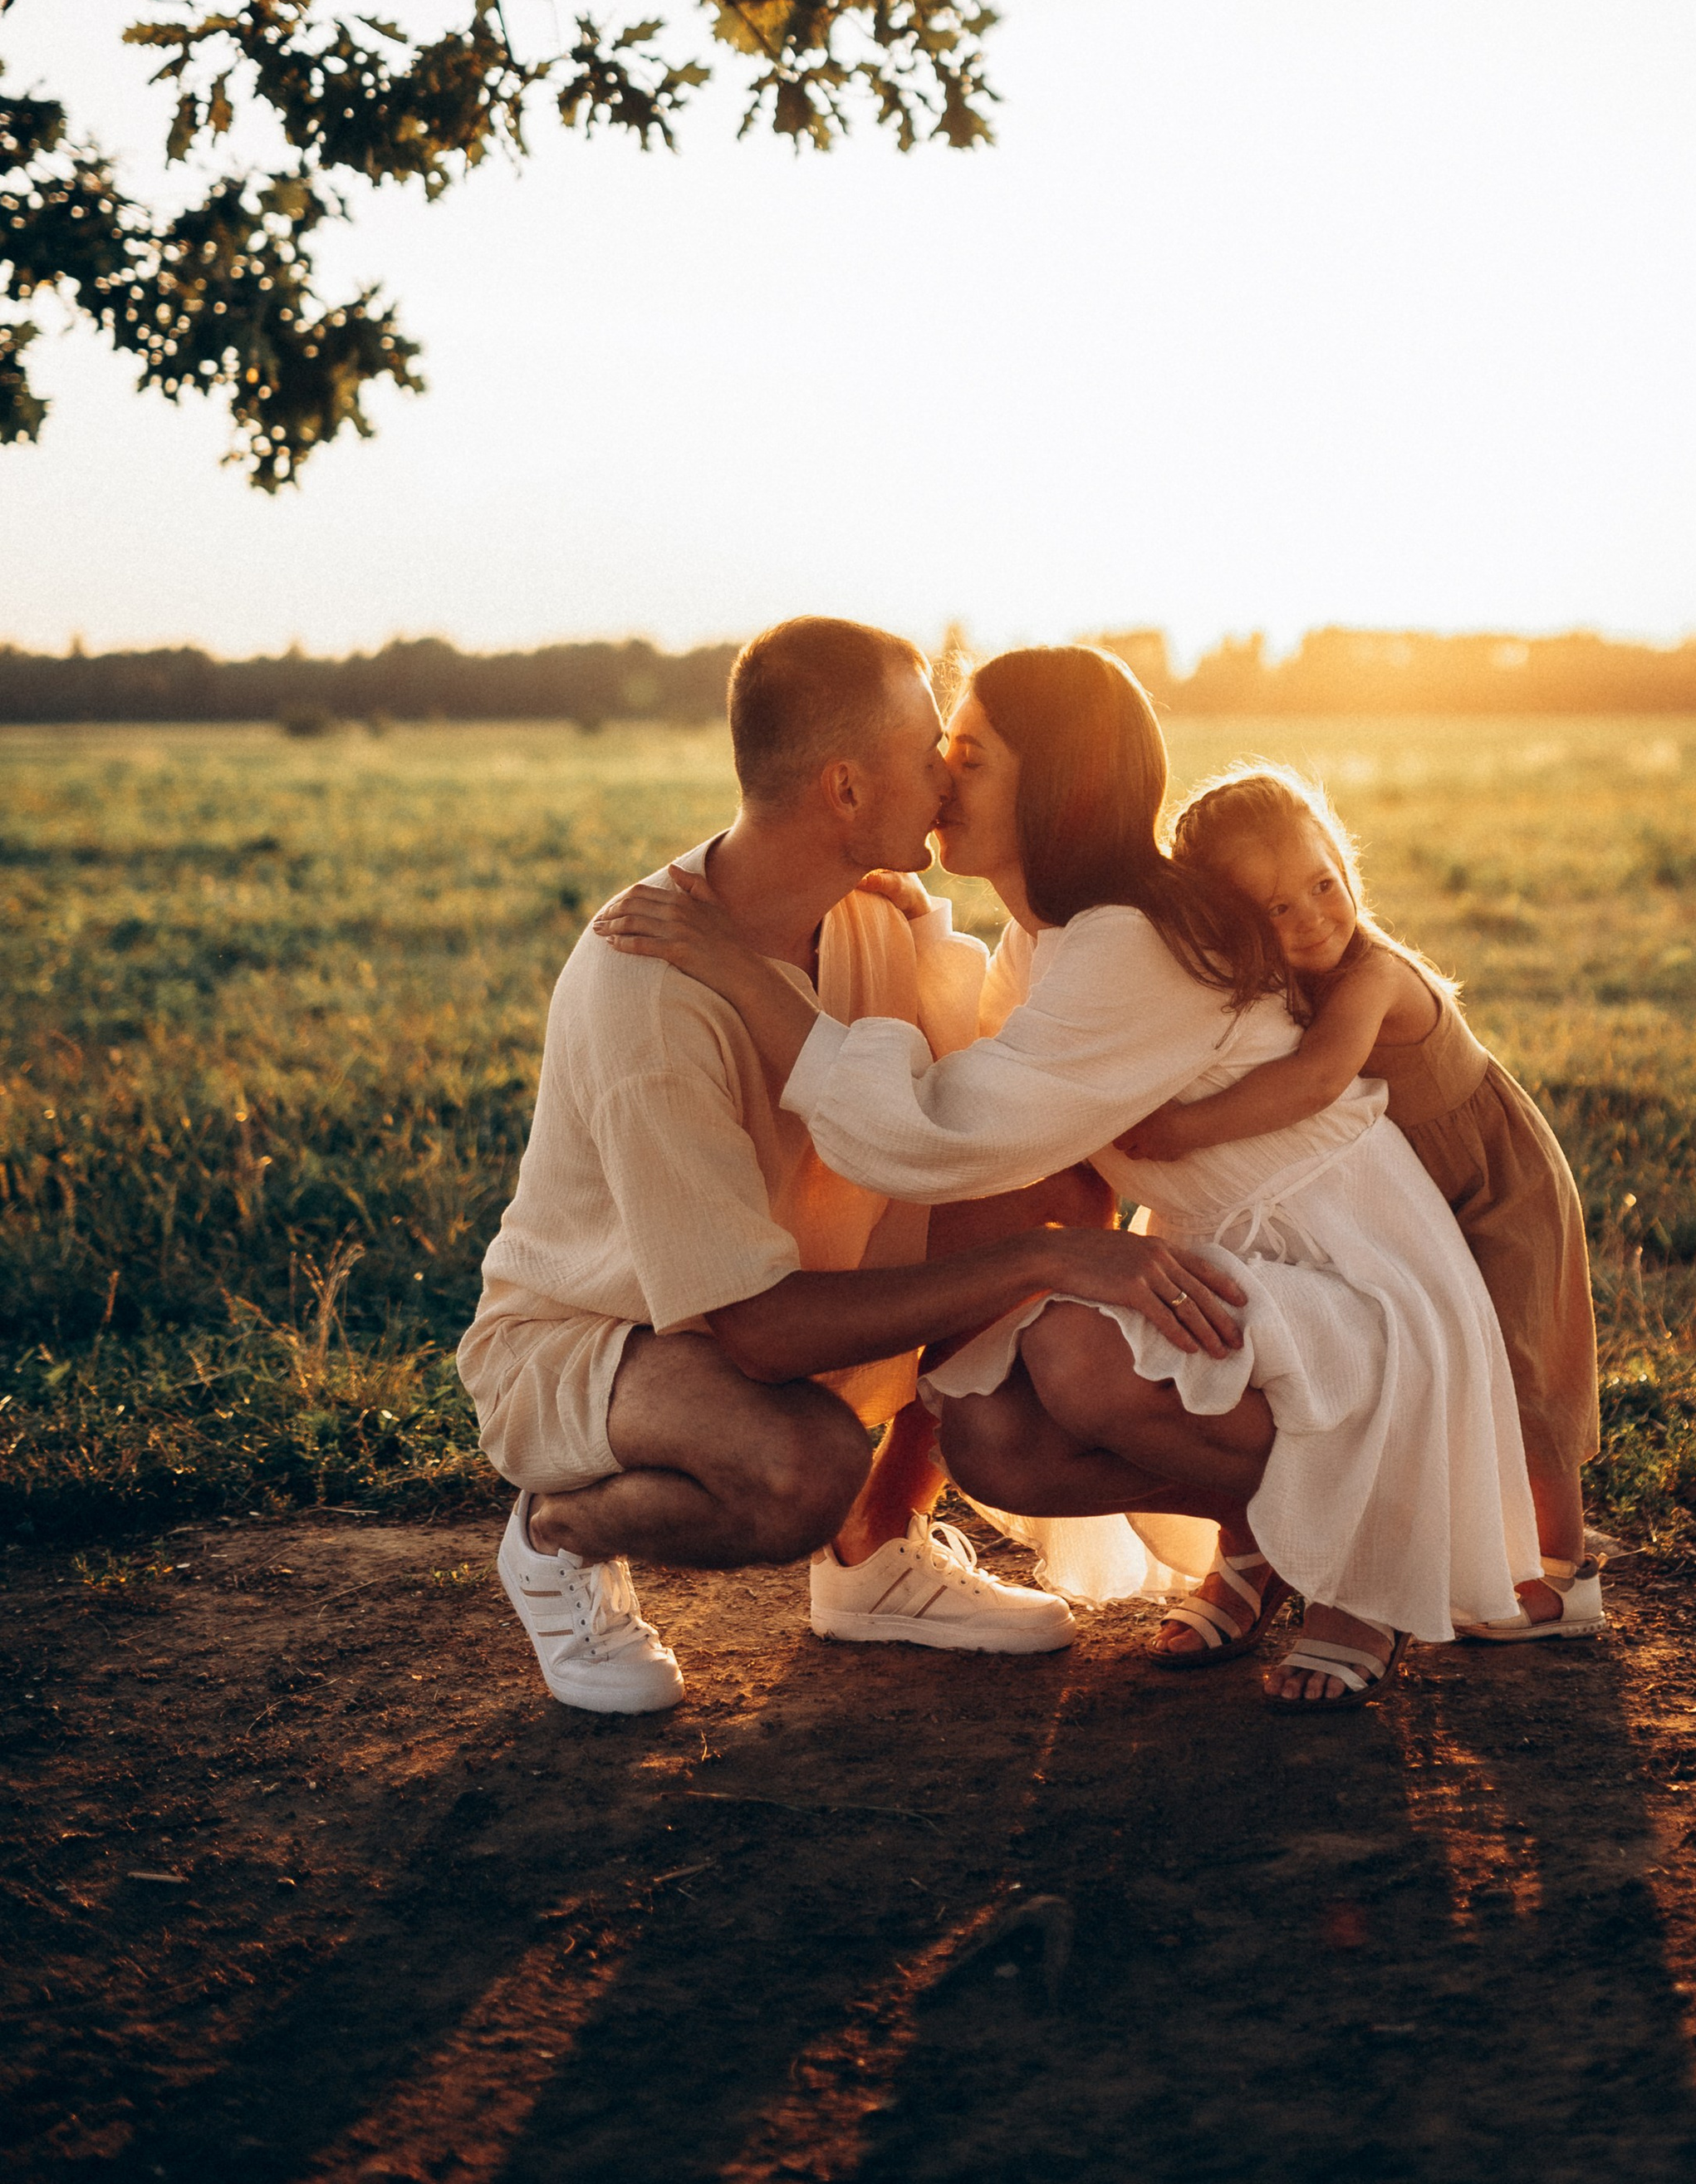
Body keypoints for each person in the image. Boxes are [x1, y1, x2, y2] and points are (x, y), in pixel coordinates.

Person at [595, 645, 1542, 1709]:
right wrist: (906, 921)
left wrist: (738, 966)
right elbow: (1005, 1104)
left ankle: (1368, 1554)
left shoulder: (1136, 940)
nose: (942, 776)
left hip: (1341, 1256)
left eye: (970, 753)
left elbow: (936, 1128)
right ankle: (1272, 1529)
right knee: (997, 1443)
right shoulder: (1043, 942)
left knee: (1075, 1352)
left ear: (1056, 784)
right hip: (1231, 1245)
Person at [458, 617, 1247, 1715]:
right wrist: (1046, 1265)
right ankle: (557, 1534)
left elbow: (971, 1125)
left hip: (779, 1295)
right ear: (843, 789)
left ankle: (875, 1556)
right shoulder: (649, 987)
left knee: (1055, 1181)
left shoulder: (870, 917)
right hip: (607, 1342)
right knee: (801, 1468)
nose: (945, 776)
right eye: (930, 751)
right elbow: (757, 1330)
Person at [1120, 765, 1604, 1642]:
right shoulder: (1268, 986)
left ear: (1344, 865)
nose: (1310, 915)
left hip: (1494, 1182)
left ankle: (1560, 1567)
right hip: (1408, 1195)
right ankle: (1284, 1543)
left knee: (1523, 1366)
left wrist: (1186, 1128)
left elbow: (1315, 1078)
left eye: (1322, 883)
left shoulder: (1372, 972)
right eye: (1274, 908)